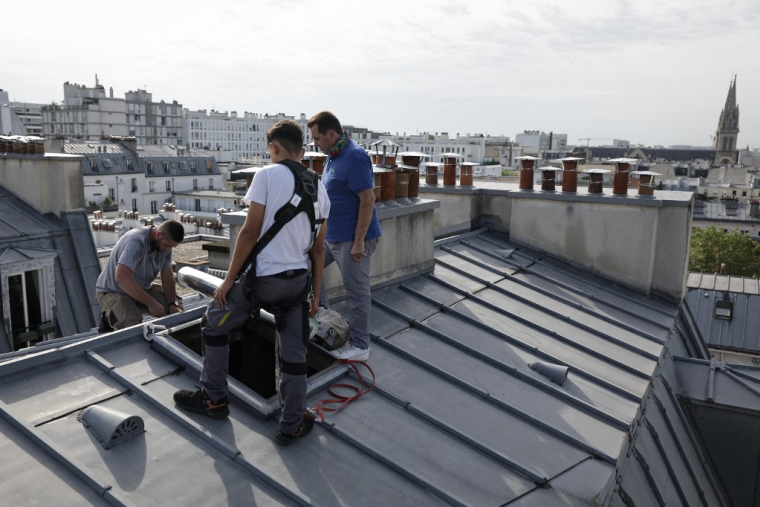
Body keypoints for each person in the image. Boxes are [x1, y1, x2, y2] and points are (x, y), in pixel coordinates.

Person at [174, 119, 330, 446]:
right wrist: (316, 296)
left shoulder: (266, 175)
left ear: (273, 148)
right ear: (301, 151)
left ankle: (213, 397)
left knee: (215, 324)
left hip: (263, 282)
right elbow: (318, 249)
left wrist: (227, 281)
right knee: (293, 353)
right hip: (298, 284)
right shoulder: (321, 189)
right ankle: (292, 422)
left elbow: (249, 231)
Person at [307, 111, 381, 362]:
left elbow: (368, 199)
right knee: (311, 267)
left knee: (357, 292)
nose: (315, 143)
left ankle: (360, 345)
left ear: (331, 133)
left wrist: (359, 241)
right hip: (332, 236)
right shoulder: (332, 156)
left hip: (353, 239)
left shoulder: (355, 157)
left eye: (317, 138)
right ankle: (326, 319)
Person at [96, 219, 185, 330]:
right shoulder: (136, 241)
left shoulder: (164, 246)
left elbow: (167, 275)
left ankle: (136, 306)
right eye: (167, 245)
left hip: (141, 288)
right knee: (133, 327)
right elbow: (121, 277)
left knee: (178, 312)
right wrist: (151, 303)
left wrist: (172, 303)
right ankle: (109, 317)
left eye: (171, 247)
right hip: (113, 290)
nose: (168, 249)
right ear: (158, 234)